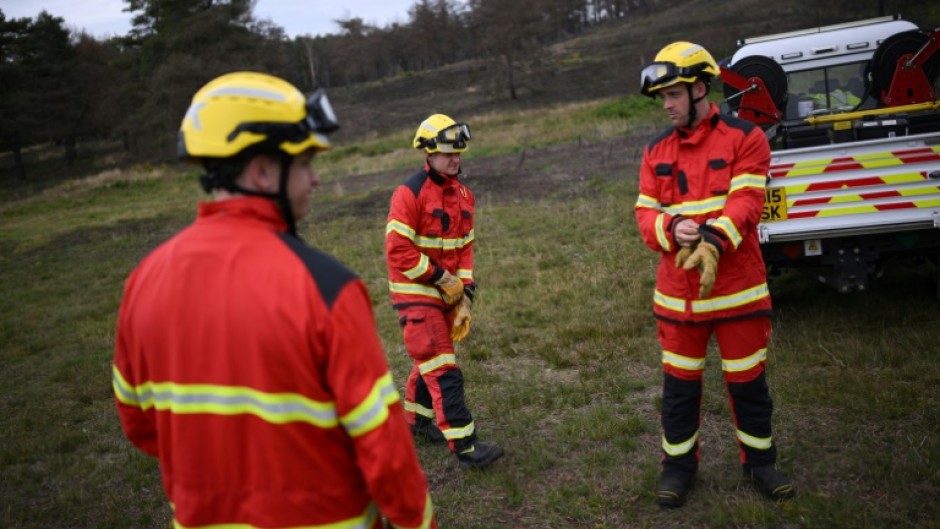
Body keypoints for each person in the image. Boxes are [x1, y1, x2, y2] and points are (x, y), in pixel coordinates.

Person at [112, 72, 436, 529]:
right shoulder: (327, 287)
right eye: (305, 164)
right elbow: (385, 449)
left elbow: (140, 426)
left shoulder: (143, 280)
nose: (316, 180)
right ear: (262, 169)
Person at [635, 42, 795, 508]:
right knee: (679, 392)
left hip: (738, 293)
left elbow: (745, 203)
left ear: (700, 88)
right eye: (661, 97)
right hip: (678, 301)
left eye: (673, 95)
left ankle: (760, 463)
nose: (665, 105)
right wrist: (670, 228)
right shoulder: (654, 150)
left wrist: (711, 241)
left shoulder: (747, 138)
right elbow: (645, 214)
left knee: (748, 385)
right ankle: (678, 469)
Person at [384, 113, 504, 469]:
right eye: (448, 153)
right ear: (428, 153)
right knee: (443, 366)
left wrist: (465, 294)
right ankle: (465, 444)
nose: (456, 158)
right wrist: (441, 279)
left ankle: (419, 422)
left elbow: (464, 249)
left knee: (430, 360)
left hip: (446, 293)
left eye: (459, 152)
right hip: (415, 291)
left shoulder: (464, 194)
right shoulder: (409, 193)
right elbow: (398, 251)